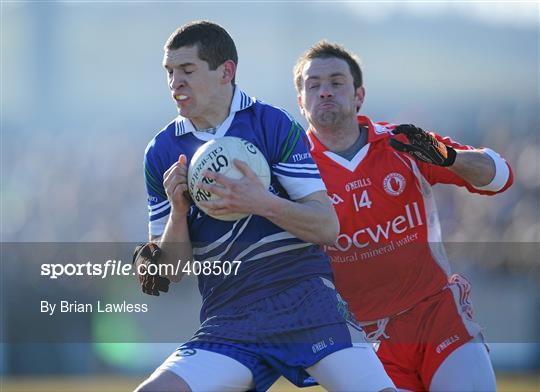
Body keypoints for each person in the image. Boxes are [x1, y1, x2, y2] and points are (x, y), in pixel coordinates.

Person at [135, 21, 395, 392]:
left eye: (187, 70)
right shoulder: (160, 152)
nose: (175, 82)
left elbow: (327, 227)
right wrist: (178, 211)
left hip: (306, 301)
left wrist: (261, 202)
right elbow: (172, 272)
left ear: (226, 71)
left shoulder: (271, 123)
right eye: (170, 72)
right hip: (230, 315)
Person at [294, 40, 513, 392]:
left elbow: (500, 176)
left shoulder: (402, 143)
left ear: (359, 94)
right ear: (300, 100)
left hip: (437, 318)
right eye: (313, 84)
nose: (324, 92)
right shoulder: (292, 172)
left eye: (336, 82)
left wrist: (449, 158)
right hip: (364, 345)